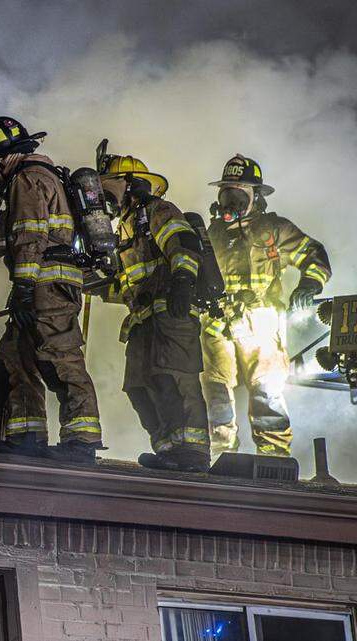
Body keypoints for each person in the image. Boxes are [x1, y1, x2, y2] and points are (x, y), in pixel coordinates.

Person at [0, 117, 102, 463]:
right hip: (39, 283)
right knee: (15, 354)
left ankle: (82, 440)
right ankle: (27, 436)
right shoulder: (40, 176)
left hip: (47, 285)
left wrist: (26, 287)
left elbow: (30, 236)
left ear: (2, 156)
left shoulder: (27, 179)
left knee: (60, 356)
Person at [202, 155, 332, 457]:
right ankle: (221, 454)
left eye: (238, 195)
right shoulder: (212, 234)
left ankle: (274, 457)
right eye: (226, 194)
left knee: (266, 391)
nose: (230, 202)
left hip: (260, 321)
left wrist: (309, 284)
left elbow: (314, 254)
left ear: (255, 197)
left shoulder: (274, 229)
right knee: (216, 391)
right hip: (217, 322)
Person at [95, 151, 211, 472]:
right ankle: (167, 450)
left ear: (129, 183)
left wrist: (183, 280)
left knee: (175, 381)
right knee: (140, 388)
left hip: (172, 313)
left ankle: (193, 453)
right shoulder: (124, 229)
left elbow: (182, 243)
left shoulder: (158, 210)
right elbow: (126, 282)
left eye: (109, 185)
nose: (103, 194)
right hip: (142, 321)